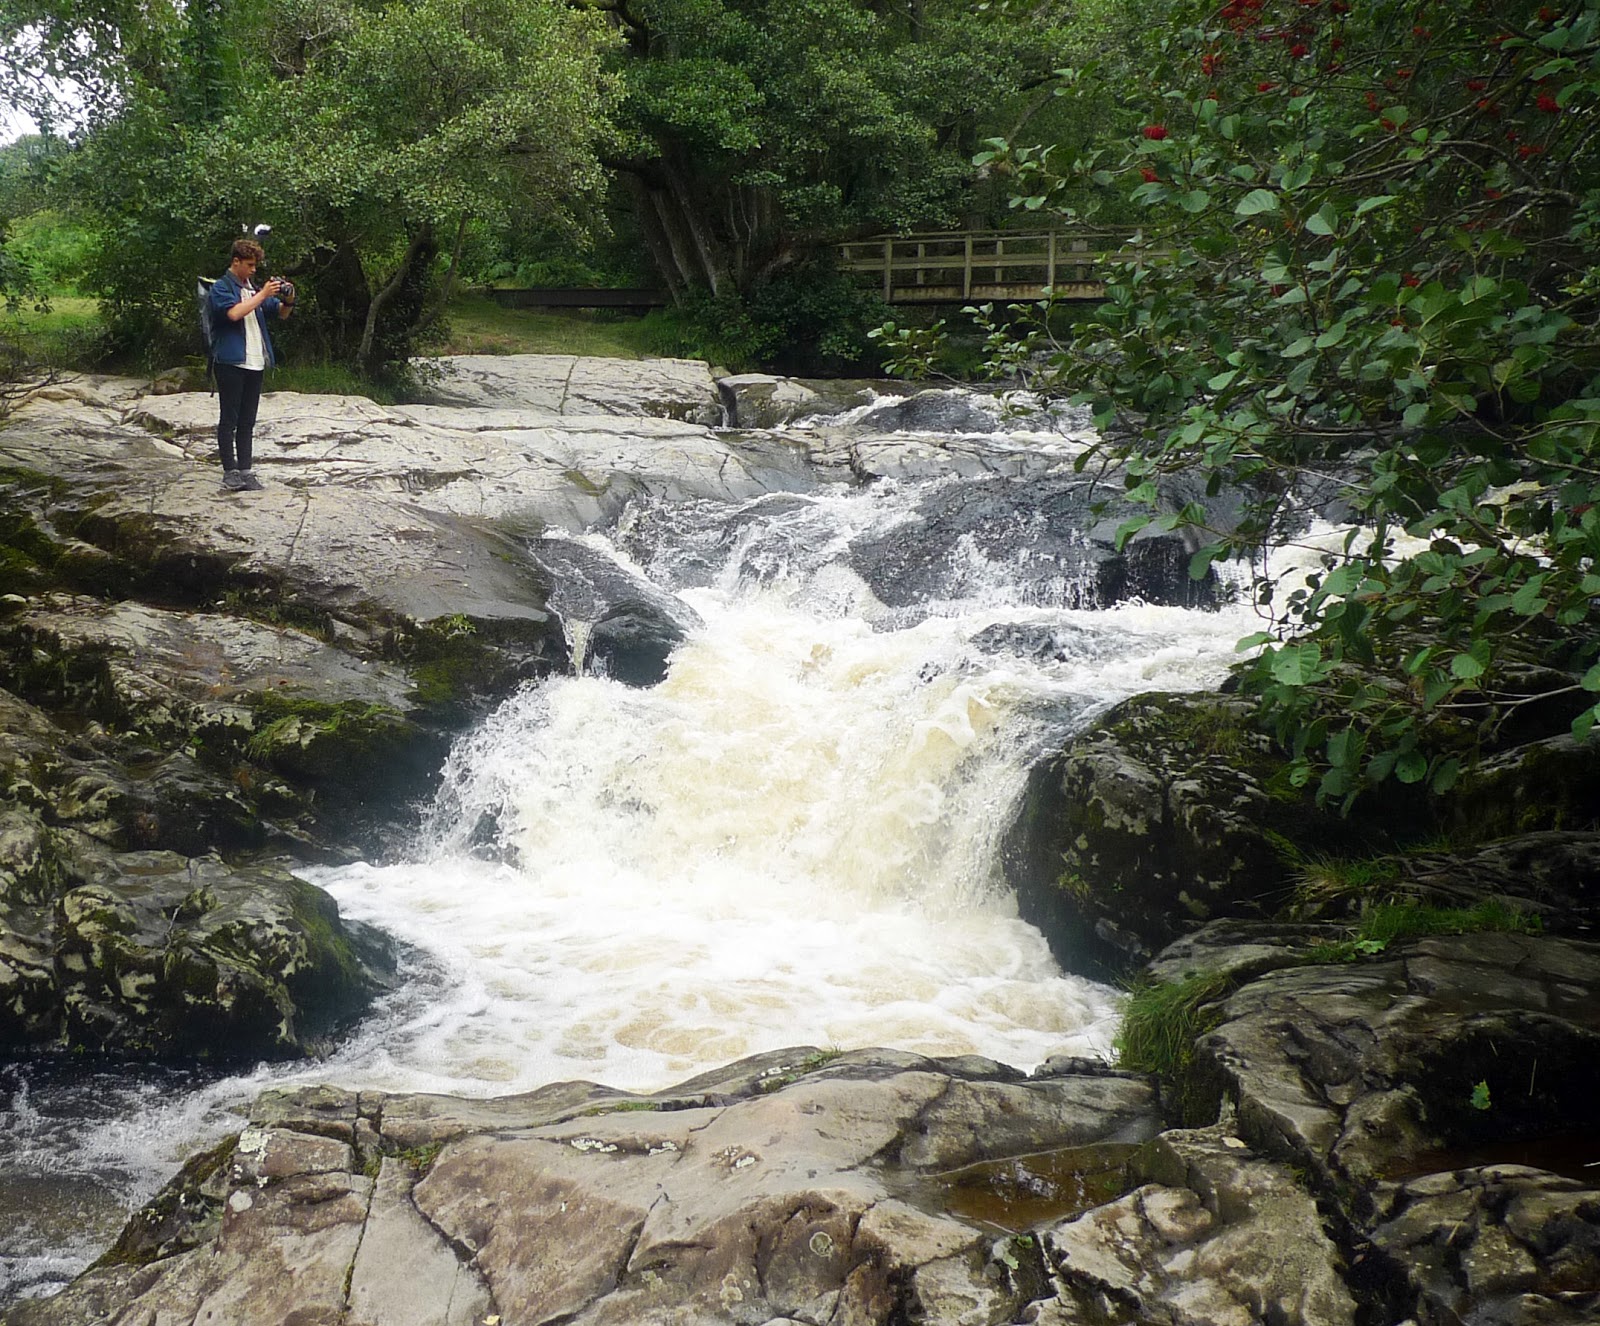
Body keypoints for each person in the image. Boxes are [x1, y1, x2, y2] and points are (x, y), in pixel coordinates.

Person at [208, 238, 294, 491]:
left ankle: (246, 471)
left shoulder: (254, 290)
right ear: (236, 262)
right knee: (229, 419)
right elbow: (233, 313)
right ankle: (229, 472)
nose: (254, 269)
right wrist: (263, 294)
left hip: (255, 363)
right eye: (250, 265)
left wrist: (288, 297)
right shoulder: (221, 288)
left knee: (248, 420)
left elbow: (281, 312)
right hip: (230, 362)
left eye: (256, 265)